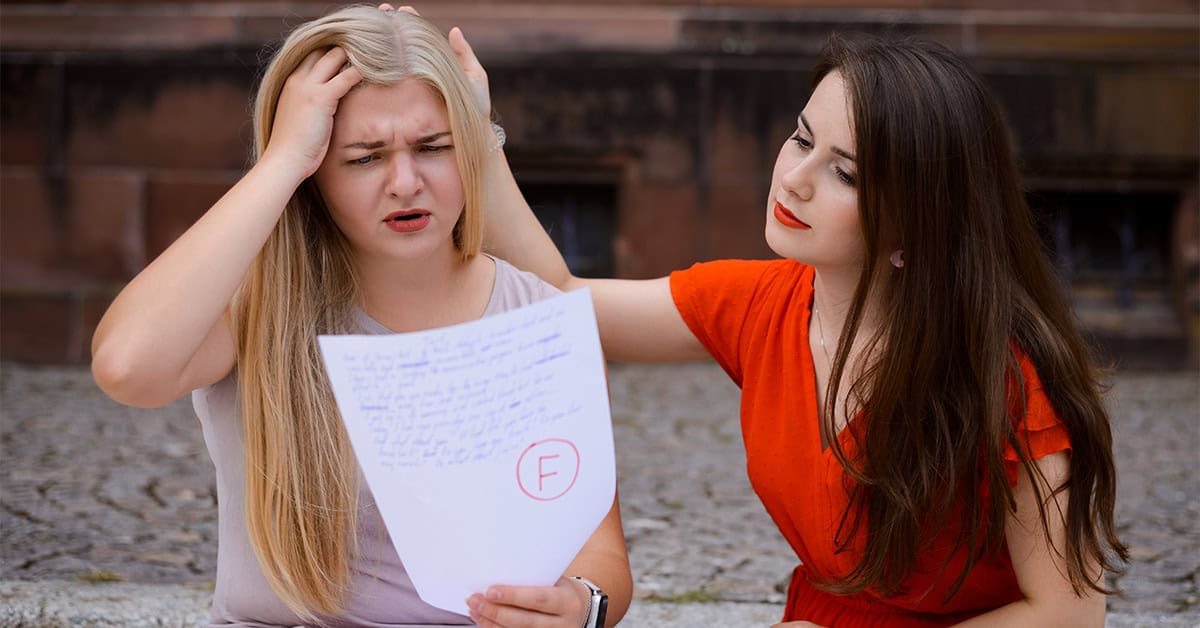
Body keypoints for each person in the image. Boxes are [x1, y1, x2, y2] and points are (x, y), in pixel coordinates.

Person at [466, 29, 1129, 627]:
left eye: (844, 172)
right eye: (802, 139)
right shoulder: (759, 302)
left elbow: (1070, 613)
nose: (795, 179)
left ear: (919, 216)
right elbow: (561, 301)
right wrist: (478, 132)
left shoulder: (1003, 373)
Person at [90, 5, 631, 627]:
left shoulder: (537, 315)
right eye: (364, 158)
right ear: (314, 171)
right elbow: (127, 367)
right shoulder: (255, 310)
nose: (405, 182)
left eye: (433, 147)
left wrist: (584, 607)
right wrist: (280, 162)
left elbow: (600, 553)